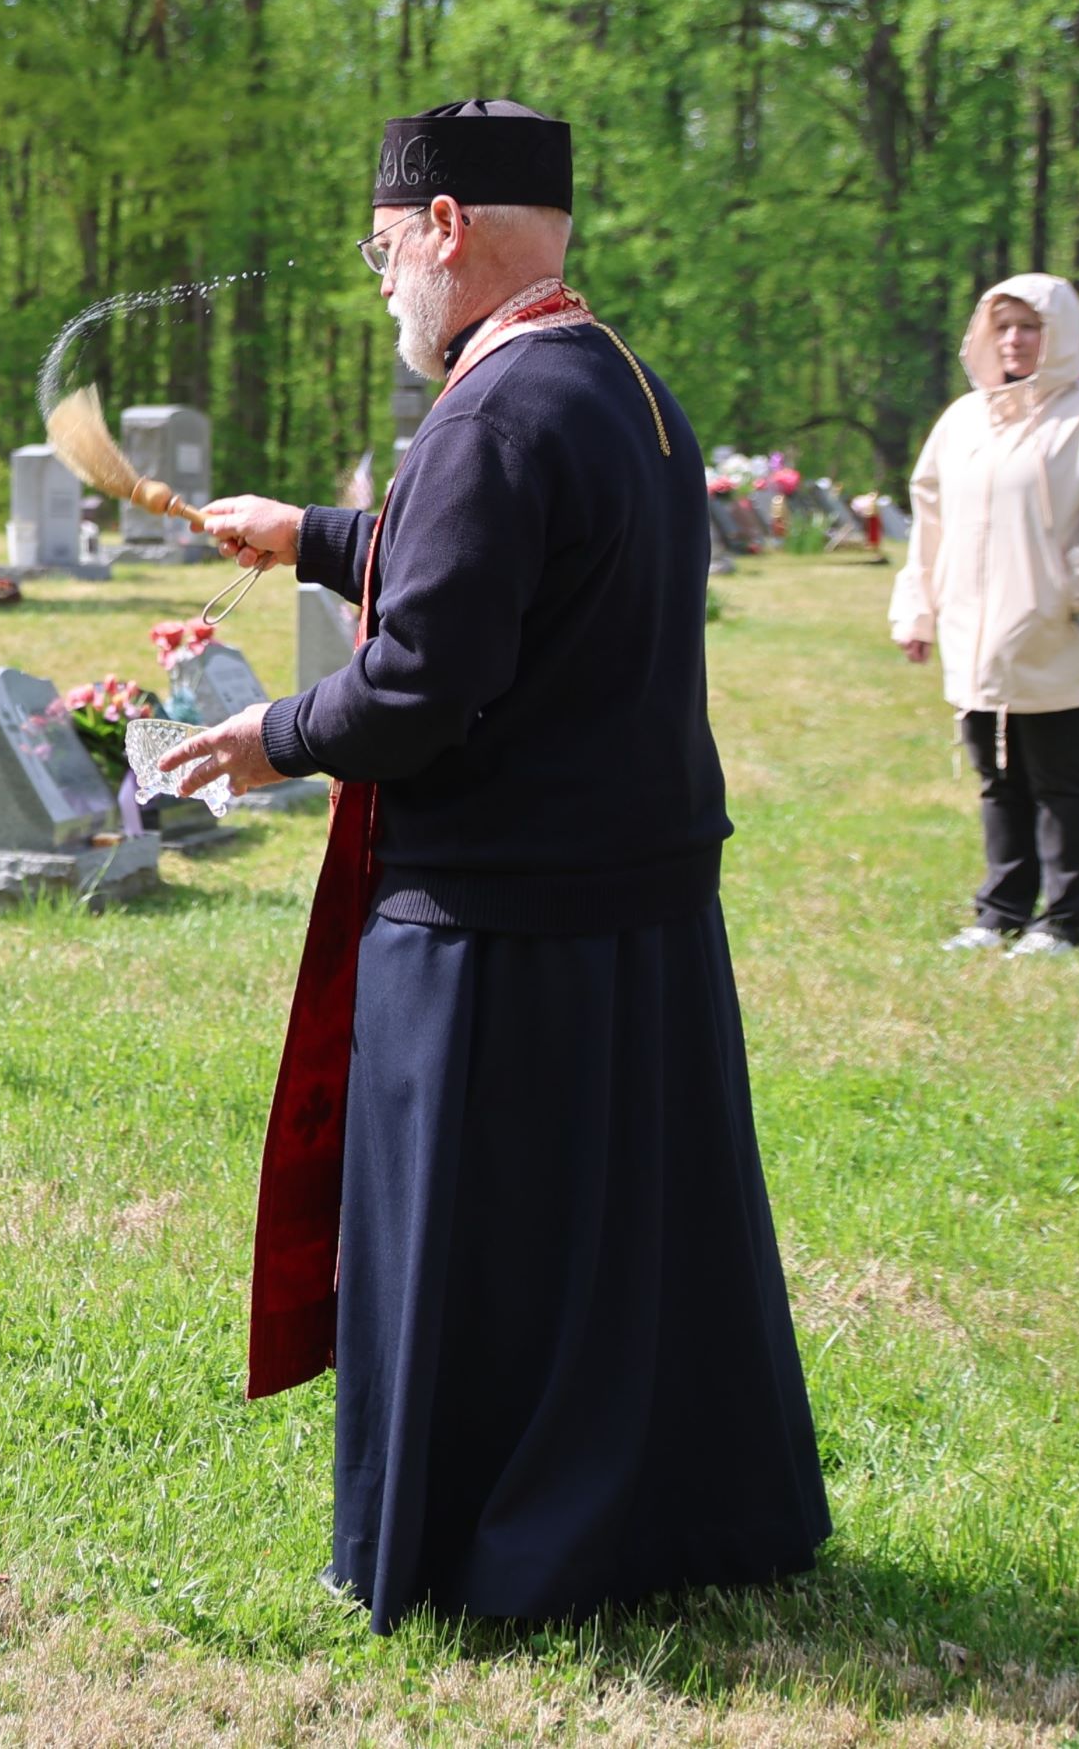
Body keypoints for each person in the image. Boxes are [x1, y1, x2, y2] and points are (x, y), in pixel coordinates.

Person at [154, 98, 828, 1630]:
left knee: (502, 1259)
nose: (385, 279)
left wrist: (271, 733)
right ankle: (674, 1518)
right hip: (633, 908)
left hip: (498, 929)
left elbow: (419, 685)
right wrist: (316, 534)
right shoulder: (621, 385)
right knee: (626, 1259)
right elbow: (507, 572)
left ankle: (497, 1546)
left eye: (386, 247)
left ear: (447, 227)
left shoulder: (489, 411)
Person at [889, 276, 1079, 956]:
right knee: (997, 780)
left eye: (1029, 327)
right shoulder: (963, 421)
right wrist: (918, 609)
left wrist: (1062, 590)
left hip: (1060, 635)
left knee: (1058, 780)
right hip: (973, 631)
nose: (1013, 340)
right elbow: (930, 522)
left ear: (1057, 333)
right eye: (1002, 326)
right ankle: (999, 912)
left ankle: (1062, 921)